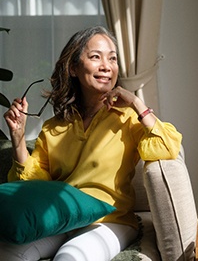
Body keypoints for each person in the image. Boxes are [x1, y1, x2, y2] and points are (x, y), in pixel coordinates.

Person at [2, 26, 182, 261]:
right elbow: (35, 187)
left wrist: (137, 103)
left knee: (70, 258)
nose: (107, 66)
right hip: (64, 217)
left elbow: (168, 147)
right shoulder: (54, 127)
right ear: (74, 68)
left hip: (110, 221)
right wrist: (17, 140)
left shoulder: (128, 118)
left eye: (113, 58)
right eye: (96, 57)